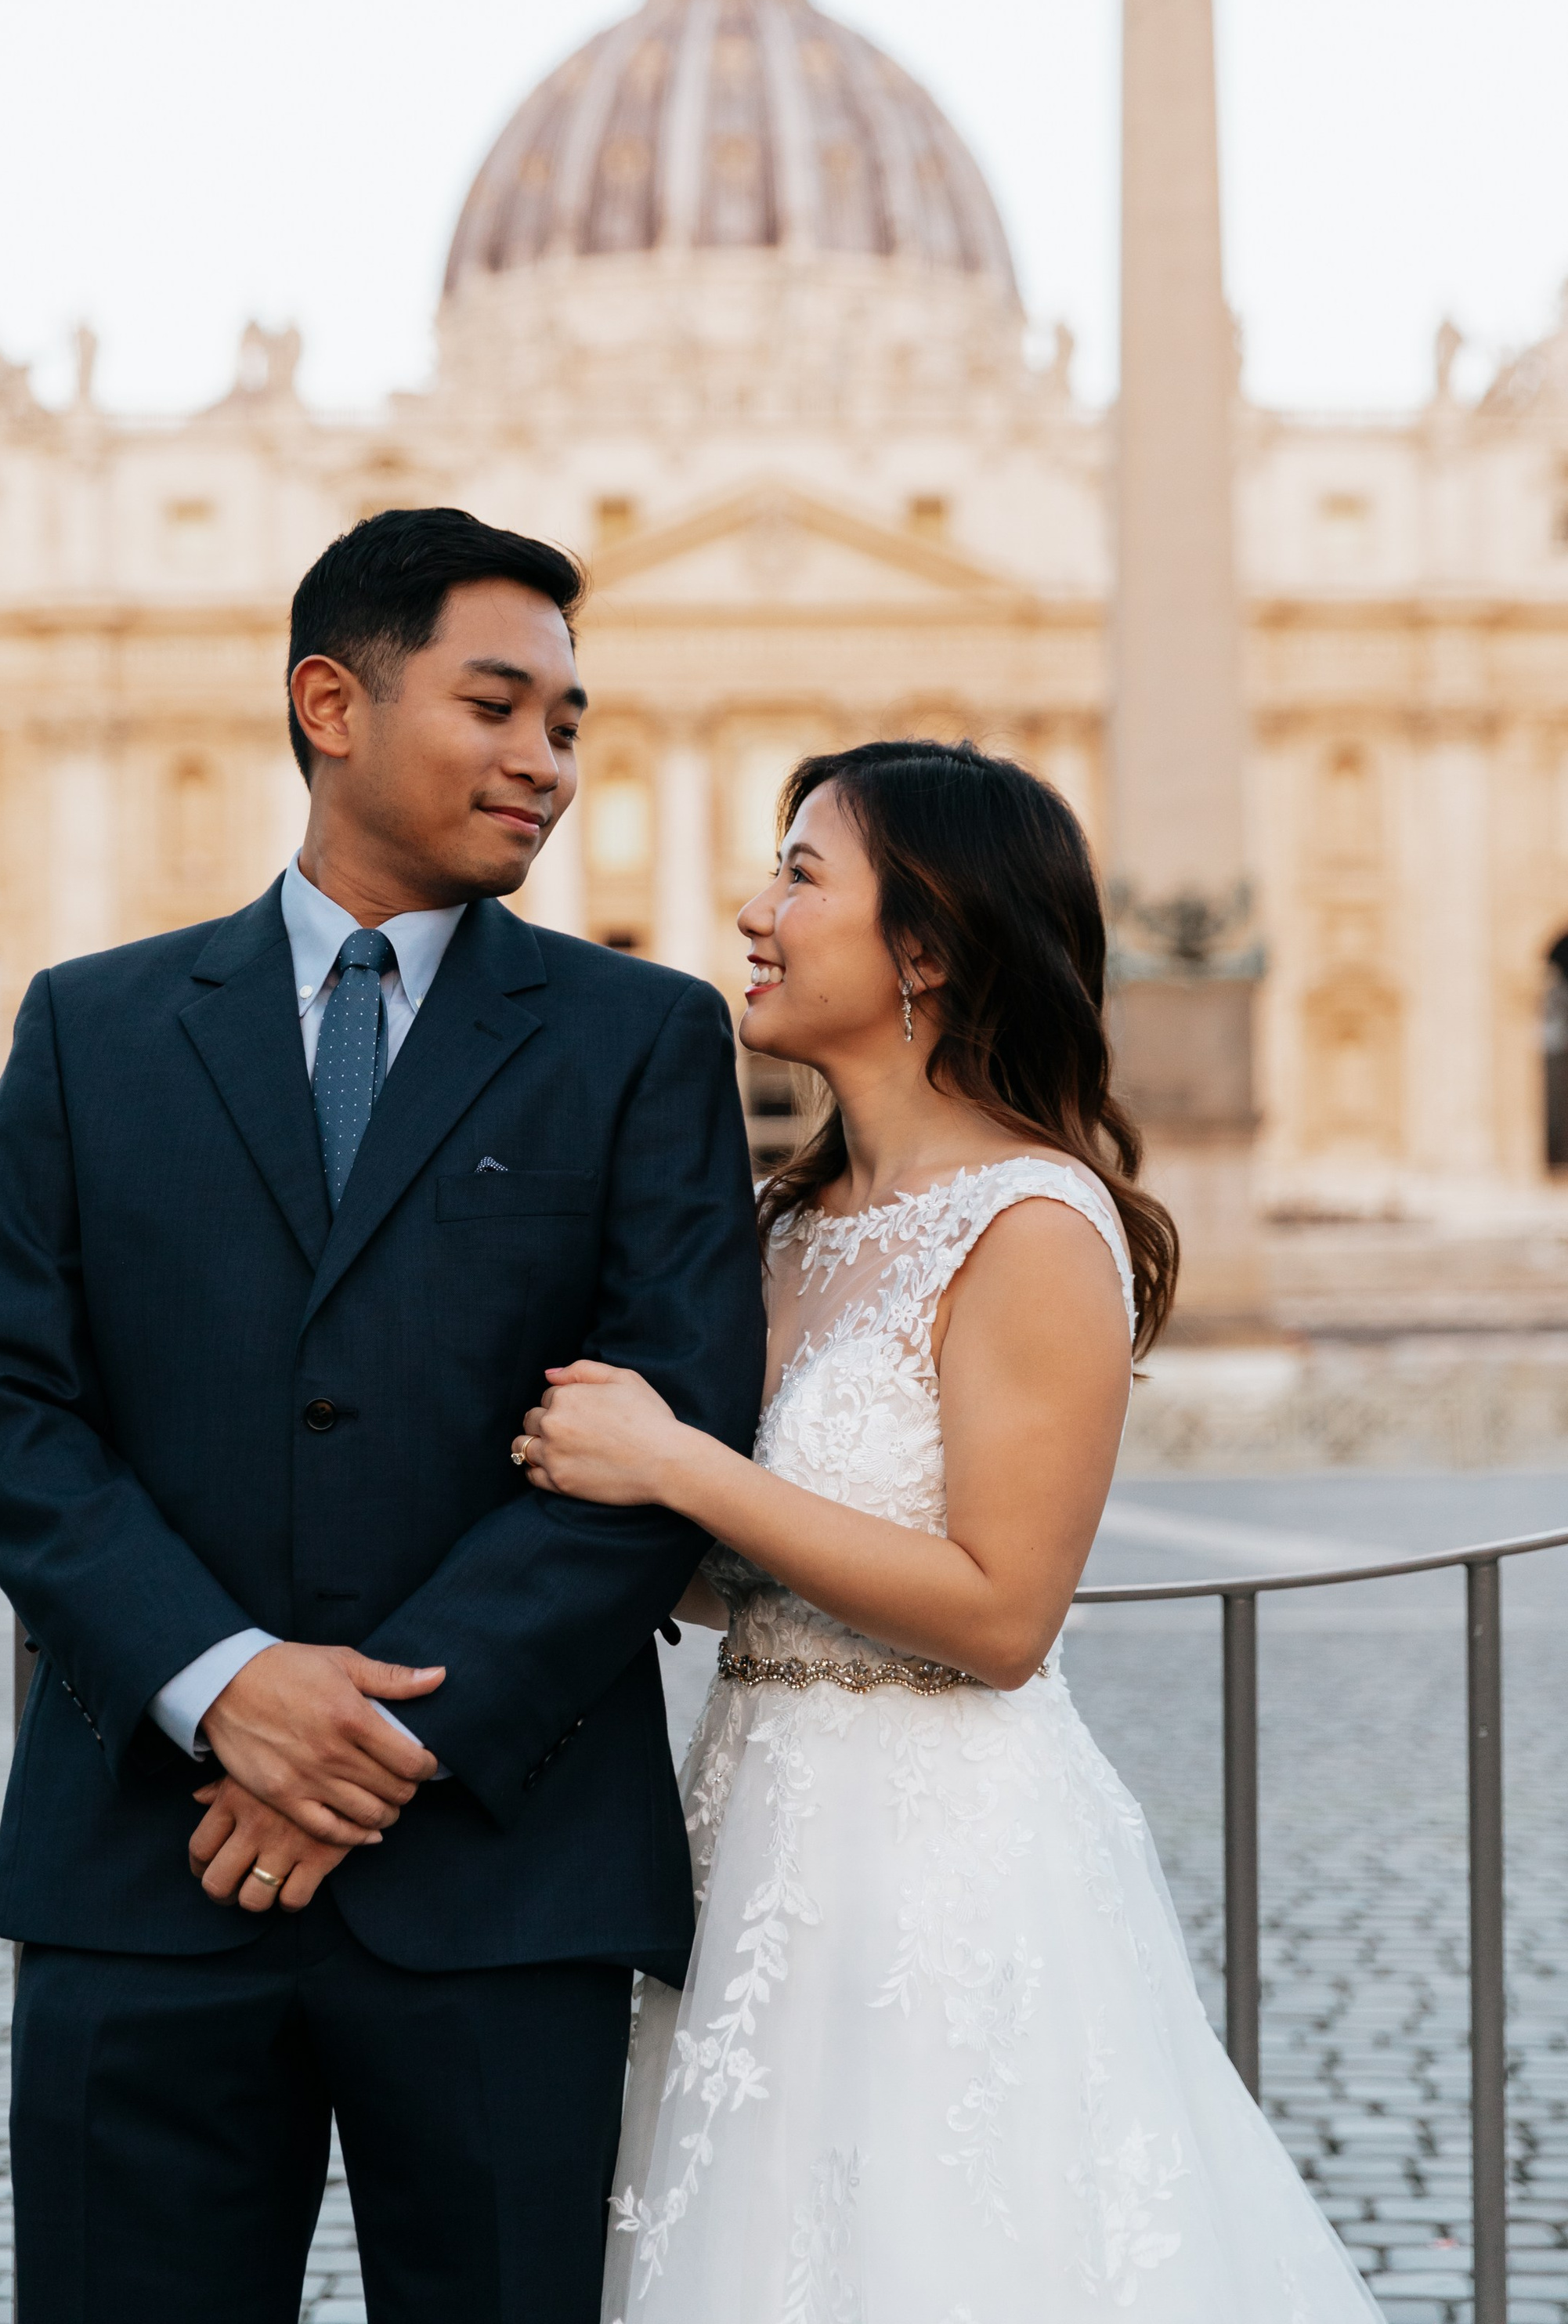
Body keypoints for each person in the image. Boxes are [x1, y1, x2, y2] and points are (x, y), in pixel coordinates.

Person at [0, 508, 765, 2324]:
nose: (544, 760)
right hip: (141, 1861)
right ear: (330, 703)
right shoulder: (89, 1028)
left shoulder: (643, 1039)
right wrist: (220, 1681)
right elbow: (6, 1397)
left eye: (567, 723)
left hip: (504, 1877)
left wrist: (367, 1744)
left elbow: (674, 1422)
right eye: (497, 705)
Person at [515, 740, 1382, 2322]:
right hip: (746, 1833)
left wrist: (680, 1469)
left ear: (922, 947)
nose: (751, 911)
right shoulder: (784, 1223)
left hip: (938, 1860)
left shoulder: (1032, 1224)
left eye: (798, 875)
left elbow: (1000, 1615)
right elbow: (752, 1570)